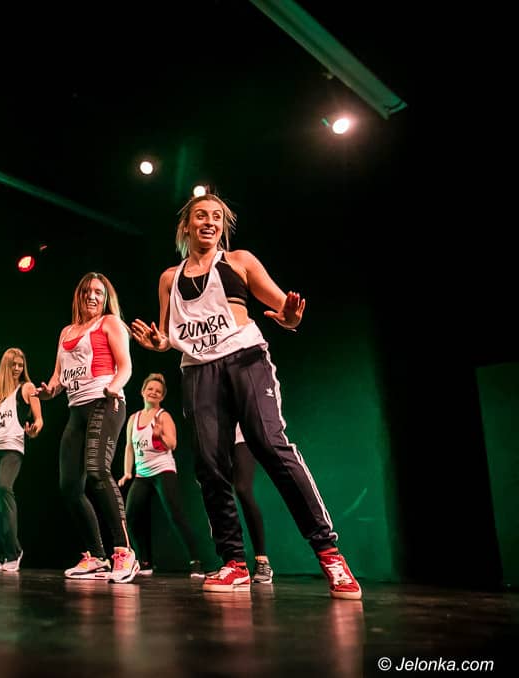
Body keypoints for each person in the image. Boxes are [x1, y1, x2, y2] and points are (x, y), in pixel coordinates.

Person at [130, 193, 362, 599]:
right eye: (201, 216)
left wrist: (290, 317)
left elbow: (283, 308)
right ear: (186, 226)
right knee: (209, 465)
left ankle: (329, 554)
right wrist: (158, 342)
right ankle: (234, 563)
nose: (209, 222)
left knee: (270, 445)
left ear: (223, 226)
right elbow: (167, 334)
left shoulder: (240, 261)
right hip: (197, 369)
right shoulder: (170, 277)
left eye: (216, 217)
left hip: (245, 359)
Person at [35, 272, 138, 583]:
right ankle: (96, 556)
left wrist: (114, 387)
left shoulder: (109, 323)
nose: (92, 296)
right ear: (78, 296)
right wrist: (48, 391)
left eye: (98, 292)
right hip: (76, 410)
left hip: (105, 402)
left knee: (97, 471)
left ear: (105, 299)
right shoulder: (66, 331)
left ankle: (124, 551)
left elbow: (126, 366)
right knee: (69, 486)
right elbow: (58, 377)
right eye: (87, 292)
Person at [117, 373, 204, 578]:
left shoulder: (163, 416)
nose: (153, 393)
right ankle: (145, 562)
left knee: (176, 515)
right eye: (150, 389)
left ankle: (196, 562)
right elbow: (129, 447)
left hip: (163, 470)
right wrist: (127, 472)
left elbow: (172, 444)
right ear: (143, 392)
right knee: (131, 516)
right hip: (142, 474)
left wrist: (160, 435)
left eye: (158, 391)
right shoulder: (133, 419)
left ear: (162, 396)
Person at [0, 348, 43, 572]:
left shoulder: (27, 388)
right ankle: (3, 554)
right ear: (5, 366)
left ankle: (15, 552)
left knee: (3, 488)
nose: (17, 368)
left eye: (20, 364)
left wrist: (34, 430)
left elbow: (39, 420)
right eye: (13, 364)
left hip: (12, 448)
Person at [232, 423, 272, 583]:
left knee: (243, 489)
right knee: (221, 493)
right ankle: (233, 563)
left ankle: (262, 560)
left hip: (242, 436)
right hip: (218, 440)